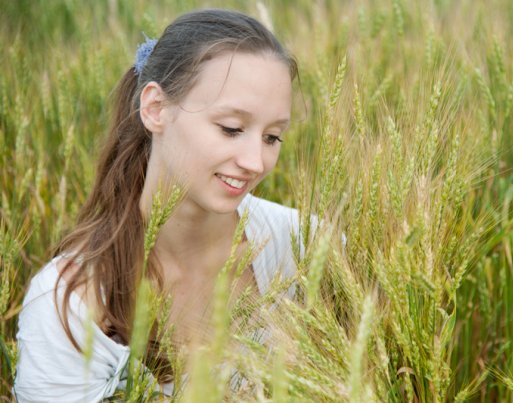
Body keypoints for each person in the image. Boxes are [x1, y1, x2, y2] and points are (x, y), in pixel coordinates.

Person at [14, 8, 302, 402]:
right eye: (231, 129)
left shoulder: (305, 248)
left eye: (272, 137)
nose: (255, 162)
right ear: (155, 109)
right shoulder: (68, 305)